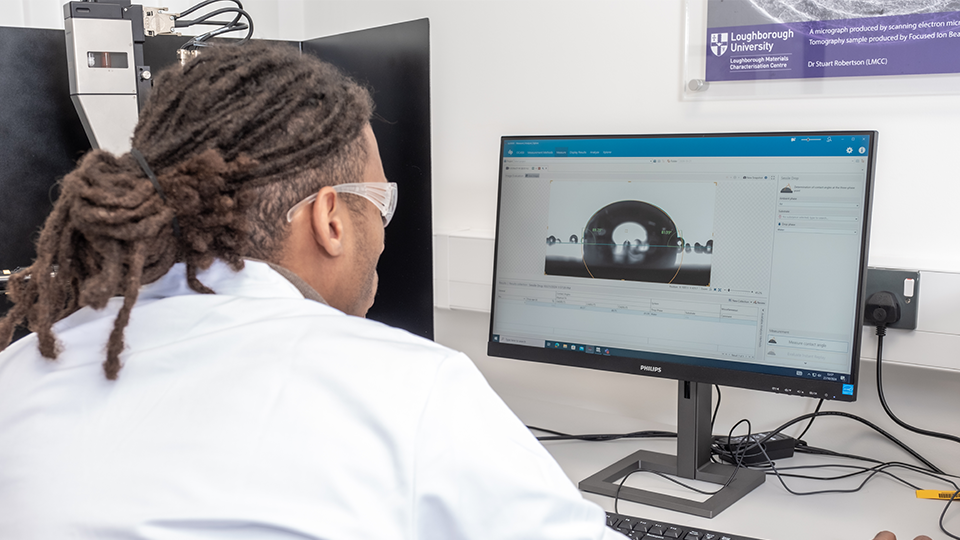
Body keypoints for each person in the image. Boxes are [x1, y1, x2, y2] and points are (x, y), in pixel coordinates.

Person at [0, 41, 930, 540]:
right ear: (330, 218)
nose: (379, 230)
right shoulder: (405, 392)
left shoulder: (21, 374)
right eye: (379, 202)